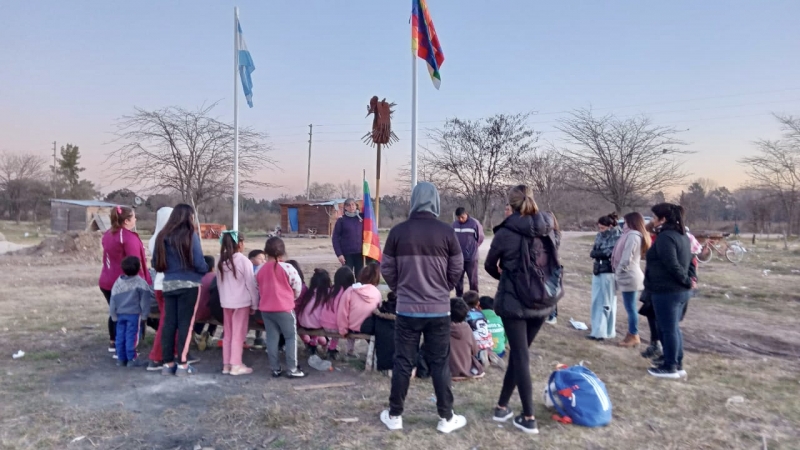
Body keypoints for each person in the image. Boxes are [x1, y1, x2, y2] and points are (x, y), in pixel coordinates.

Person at [380, 181, 467, 434]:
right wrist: (444, 288)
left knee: (403, 362)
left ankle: (395, 415)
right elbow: (457, 266)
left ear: (413, 201)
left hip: (407, 310)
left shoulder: (398, 232)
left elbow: (386, 268)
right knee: (439, 363)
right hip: (439, 309)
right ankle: (446, 417)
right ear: (436, 202)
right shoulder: (447, 232)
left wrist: (401, 289)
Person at [484, 184, 561, 435]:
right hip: (543, 300)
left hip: (515, 303)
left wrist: (508, 278)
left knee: (521, 357)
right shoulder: (549, 226)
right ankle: (501, 406)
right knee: (519, 355)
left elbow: (488, 265)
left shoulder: (505, 233)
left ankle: (528, 418)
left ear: (512, 204)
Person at [153, 204, 209, 376]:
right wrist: (206, 269)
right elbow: (199, 262)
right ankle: (183, 364)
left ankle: (167, 363)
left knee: (169, 323)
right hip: (189, 284)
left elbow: (156, 263)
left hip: (168, 284)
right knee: (186, 324)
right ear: (189, 217)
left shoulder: (162, 236)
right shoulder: (190, 236)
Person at [645, 204, 696, 379]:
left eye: (654, 217)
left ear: (663, 219)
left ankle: (670, 367)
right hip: (678, 291)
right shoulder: (682, 235)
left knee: (668, 329)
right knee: (673, 328)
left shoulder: (666, 237)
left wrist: (687, 280)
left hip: (668, 291)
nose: (652, 220)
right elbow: (690, 262)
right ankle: (677, 362)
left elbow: (672, 264)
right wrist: (690, 280)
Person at [99, 205, 152, 356]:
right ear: (127, 221)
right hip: (124, 283)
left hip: (107, 280)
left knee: (114, 312)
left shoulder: (108, 234)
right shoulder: (128, 238)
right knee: (130, 315)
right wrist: (143, 281)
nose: (136, 219)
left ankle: (113, 342)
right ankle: (126, 347)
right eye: (134, 217)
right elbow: (135, 262)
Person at [256, 237, 306, 378]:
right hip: (285, 308)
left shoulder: (260, 269)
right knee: (290, 337)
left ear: (266, 252)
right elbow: (297, 286)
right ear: (282, 252)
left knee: (272, 338)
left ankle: (275, 368)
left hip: (266, 309)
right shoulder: (288, 268)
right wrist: (292, 298)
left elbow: (256, 287)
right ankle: (292, 368)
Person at [216, 231, 259, 376]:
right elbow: (251, 284)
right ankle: (236, 365)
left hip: (226, 302)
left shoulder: (221, 260)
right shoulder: (243, 260)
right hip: (241, 303)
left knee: (228, 334)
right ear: (240, 243)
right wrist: (254, 304)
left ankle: (226, 365)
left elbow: (219, 283)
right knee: (238, 335)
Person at [612, 212, 651, 348]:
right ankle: (631, 334)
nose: (624, 224)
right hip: (628, 274)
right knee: (629, 307)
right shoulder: (628, 235)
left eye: (626, 221)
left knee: (631, 308)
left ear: (632, 222)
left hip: (630, 276)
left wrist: (619, 272)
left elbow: (627, 258)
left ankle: (634, 335)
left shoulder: (633, 236)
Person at [109, 256, 154, 368]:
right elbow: (145, 301)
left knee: (120, 336)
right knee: (132, 336)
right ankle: (131, 359)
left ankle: (121, 358)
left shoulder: (117, 283)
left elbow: (112, 300)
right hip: (134, 315)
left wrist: (113, 315)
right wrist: (144, 315)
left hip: (120, 315)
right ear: (139, 268)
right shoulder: (141, 283)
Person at [587, 213, 622, 341]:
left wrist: (599, 253)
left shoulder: (617, 235)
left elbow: (609, 253)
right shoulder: (600, 235)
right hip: (598, 269)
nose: (600, 230)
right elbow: (594, 251)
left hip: (608, 271)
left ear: (611, 226)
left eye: (603, 228)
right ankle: (597, 330)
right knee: (597, 300)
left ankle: (604, 331)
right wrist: (598, 253)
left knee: (607, 302)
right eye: (599, 228)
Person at [319, 266, 356, 360]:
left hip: (324, 324)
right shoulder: (348, 292)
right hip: (336, 326)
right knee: (350, 326)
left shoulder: (331, 290)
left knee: (336, 321)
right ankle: (350, 351)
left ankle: (332, 349)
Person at [337, 263, 383, 337]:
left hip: (352, 328)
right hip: (369, 329)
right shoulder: (377, 293)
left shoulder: (350, 291)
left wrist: (343, 330)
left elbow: (342, 312)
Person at [359, 292, 397, 374]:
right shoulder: (408, 318)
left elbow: (365, 328)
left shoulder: (378, 313)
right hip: (403, 364)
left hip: (382, 363)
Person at [296, 268, 332, 355]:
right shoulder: (327, 293)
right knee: (321, 322)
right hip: (316, 324)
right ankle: (324, 343)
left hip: (303, 323)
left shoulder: (309, 292)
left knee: (315, 319)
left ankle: (313, 343)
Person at [449, 297, 485, 380]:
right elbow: (475, 350)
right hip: (467, 368)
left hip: (446, 369)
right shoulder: (467, 327)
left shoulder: (441, 328)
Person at [452, 207, 485, 297]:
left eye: (462, 217)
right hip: (458, 258)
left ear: (466, 214)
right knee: (458, 280)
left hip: (471, 258)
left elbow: (480, 238)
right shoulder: (454, 225)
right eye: (458, 218)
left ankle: (474, 300)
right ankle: (459, 298)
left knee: (473, 280)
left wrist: (472, 248)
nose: (461, 219)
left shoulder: (474, 223)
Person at [332, 198, 365, 277]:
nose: (351, 207)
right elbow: (335, 238)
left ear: (356, 206)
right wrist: (339, 254)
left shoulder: (361, 218)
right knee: (346, 277)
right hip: (346, 254)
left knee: (360, 278)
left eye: (353, 204)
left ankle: (358, 290)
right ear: (345, 208)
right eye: (349, 205)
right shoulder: (341, 220)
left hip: (360, 253)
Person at [193, 255, 217, 352]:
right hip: (209, 312)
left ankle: (196, 333)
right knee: (214, 310)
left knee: (201, 307)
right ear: (213, 267)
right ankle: (209, 335)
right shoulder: (215, 277)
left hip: (194, 311)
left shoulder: (195, 277)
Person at [462, 290, 493, 365]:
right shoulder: (481, 313)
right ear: (478, 303)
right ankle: (487, 353)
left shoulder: (465, 314)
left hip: (476, 345)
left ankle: (478, 355)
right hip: (488, 343)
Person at [545, 213, 562, 325]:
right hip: (547, 264)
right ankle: (549, 314)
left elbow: (552, 247)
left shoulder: (553, 233)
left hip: (551, 265)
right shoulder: (553, 233)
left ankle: (552, 315)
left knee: (551, 290)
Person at [248, 249, 268, 349]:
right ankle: (258, 339)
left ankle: (258, 338)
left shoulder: (261, 269)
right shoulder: (252, 270)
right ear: (251, 260)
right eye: (260, 259)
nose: (264, 261)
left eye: (265, 259)